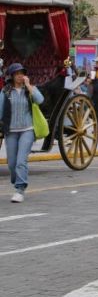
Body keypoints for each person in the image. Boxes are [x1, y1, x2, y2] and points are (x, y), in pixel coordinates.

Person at [0, 63, 44, 203]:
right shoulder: (5, 91)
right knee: (12, 163)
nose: (20, 76)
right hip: (11, 130)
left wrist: (29, 86)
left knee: (20, 161)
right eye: (17, 73)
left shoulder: (29, 89)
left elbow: (40, 100)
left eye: (22, 73)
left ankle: (20, 189)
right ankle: (17, 178)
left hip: (27, 129)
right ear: (12, 76)